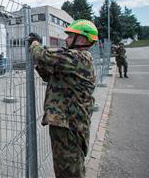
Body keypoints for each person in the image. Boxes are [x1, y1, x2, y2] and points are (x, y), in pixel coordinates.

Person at [28, 19, 98, 178]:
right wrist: (39, 60)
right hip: (70, 123)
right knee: (71, 166)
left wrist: (34, 43)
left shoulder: (77, 58)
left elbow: (43, 54)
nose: (65, 39)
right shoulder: (76, 60)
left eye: (70, 36)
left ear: (81, 39)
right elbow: (49, 75)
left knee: (68, 170)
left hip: (69, 125)